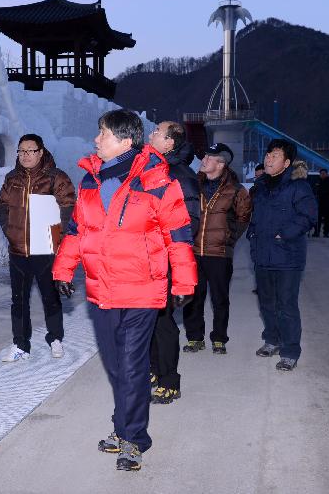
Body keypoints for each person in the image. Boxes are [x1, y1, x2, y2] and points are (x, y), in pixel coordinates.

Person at [52, 109, 196, 472]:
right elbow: (76, 230)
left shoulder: (156, 179)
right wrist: (63, 268)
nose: (97, 140)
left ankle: (134, 438)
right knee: (116, 366)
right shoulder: (90, 179)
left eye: (103, 134)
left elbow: (178, 233)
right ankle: (123, 425)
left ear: (125, 141)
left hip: (142, 289)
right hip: (101, 289)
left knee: (132, 366)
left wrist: (183, 281)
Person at [0, 134, 75, 362]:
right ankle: (20, 344)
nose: (26, 155)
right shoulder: (12, 179)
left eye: (31, 150)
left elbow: (68, 206)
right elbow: (1, 204)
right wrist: (8, 229)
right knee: (18, 300)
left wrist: (57, 237)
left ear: (41, 152)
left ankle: (55, 338)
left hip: (45, 251)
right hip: (18, 251)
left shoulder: (55, 178)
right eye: (21, 151)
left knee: (50, 296)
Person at [247, 139, 317, 371]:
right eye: (268, 154)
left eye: (275, 155)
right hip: (262, 255)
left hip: (287, 256)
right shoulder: (260, 186)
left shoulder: (299, 187)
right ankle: (272, 340)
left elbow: (308, 217)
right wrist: (252, 234)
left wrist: (284, 234)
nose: (269, 158)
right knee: (267, 302)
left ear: (286, 163)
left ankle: (290, 350)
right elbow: (254, 216)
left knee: (286, 305)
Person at [146, 121, 200, 404]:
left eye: (157, 131)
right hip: (149, 260)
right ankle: (155, 370)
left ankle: (170, 381)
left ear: (170, 143)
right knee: (151, 320)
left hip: (166, 260)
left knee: (164, 323)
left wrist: (168, 255)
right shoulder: (154, 170)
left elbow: (189, 224)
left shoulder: (180, 175)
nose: (151, 133)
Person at [182, 143, 252, 355]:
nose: (203, 160)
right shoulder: (193, 184)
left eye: (209, 158)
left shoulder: (237, 190)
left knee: (220, 299)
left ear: (221, 163)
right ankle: (195, 338)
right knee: (192, 298)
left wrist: (228, 238)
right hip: (193, 252)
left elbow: (243, 217)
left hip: (219, 254)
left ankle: (219, 338)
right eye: (204, 156)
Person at [312, 168, 329, 237]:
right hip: (319, 203)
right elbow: (314, 189)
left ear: (327, 174)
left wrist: (321, 192)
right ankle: (317, 231)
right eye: (321, 174)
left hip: (327, 203)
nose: (322, 175)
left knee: (327, 219)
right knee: (317, 218)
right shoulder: (318, 181)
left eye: (324, 174)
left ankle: (326, 232)